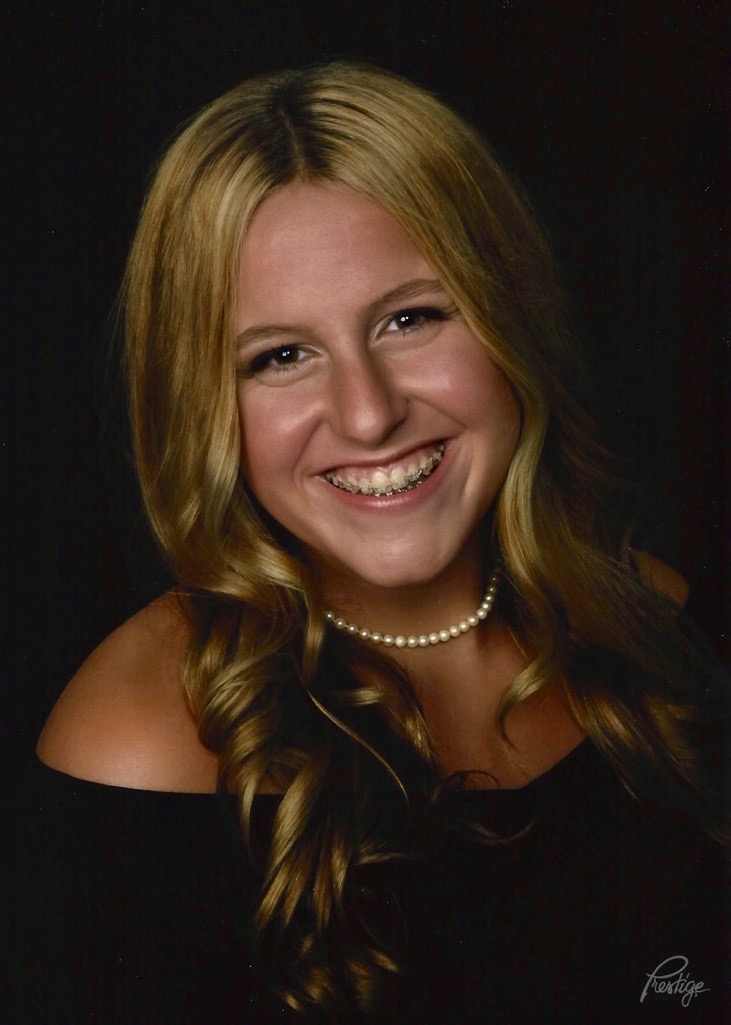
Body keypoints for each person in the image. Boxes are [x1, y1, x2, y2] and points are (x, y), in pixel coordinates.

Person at [20, 62, 727, 1023]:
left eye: (410, 318)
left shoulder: (655, 619)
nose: (367, 413)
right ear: (202, 404)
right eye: (280, 356)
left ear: (510, 318)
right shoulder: (138, 744)